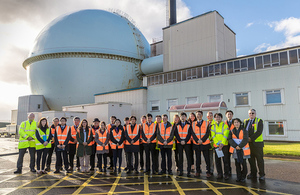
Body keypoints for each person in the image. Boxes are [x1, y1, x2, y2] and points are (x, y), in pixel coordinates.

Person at [244, 109, 265, 181]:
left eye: (253, 113)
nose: (251, 114)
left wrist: (251, 138)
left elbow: (259, 132)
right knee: (251, 160)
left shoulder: (259, 121)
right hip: (248, 145)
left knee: (259, 160)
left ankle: (262, 174)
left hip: (257, 145)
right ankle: (253, 173)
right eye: (250, 113)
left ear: (255, 114)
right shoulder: (245, 121)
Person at [228, 118, 250, 182]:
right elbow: (230, 139)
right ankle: (238, 176)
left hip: (243, 149)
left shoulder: (244, 130)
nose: (236, 123)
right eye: (235, 122)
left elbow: (245, 139)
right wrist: (236, 146)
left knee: (244, 164)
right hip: (235, 150)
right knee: (237, 164)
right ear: (233, 124)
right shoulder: (231, 131)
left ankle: (243, 176)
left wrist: (240, 146)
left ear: (240, 123)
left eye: (237, 122)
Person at [191, 111, 211, 177]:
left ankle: (208, 171)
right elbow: (193, 133)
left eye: (199, 114)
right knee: (197, 159)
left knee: (207, 158)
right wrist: (197, 140)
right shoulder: (193, 123)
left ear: (202, 115)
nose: (198, 116)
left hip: (205, 143)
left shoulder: (206, 123)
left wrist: (202, 140)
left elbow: (208, 133)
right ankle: (198, 171)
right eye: (197, 115)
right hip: (197, 144)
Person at [211, 113, 230, 179]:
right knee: (217, 161)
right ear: (215, 118)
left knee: (225, 161)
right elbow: (213, 136)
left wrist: (222, 143)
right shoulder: (213, 126)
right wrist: (218, 144)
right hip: (217, 146)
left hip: (224, 145)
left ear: (221, 118)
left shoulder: (225, 126)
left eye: (219, 117)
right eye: (216, 117)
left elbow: (225, 135)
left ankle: (226, 174)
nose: (217, 118)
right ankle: (219, 173)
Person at [174, 112, 192, 176]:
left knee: (188, 157)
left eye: (184, 116)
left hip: (187, 143)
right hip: (179, 143)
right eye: (181, 116)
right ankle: (181, 171)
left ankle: (188, 171)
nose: (183, 117)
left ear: (186, 117)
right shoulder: (177, 125)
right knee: (180, 158)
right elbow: (176, 134)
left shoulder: (189, 124)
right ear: (180, 117)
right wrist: (180, 140)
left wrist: (185, 141)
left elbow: (190, 134)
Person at [225, 110, 234, 176]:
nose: (229, 115)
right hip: (226, 143)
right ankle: (228, 171)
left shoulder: (235, 122)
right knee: (227, 158)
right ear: (226, 115)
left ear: (232, 115)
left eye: (230, 114)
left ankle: (239, 173)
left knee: (236, 158)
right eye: (228, 114)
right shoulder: (224, 123)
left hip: (233, 143)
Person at [207, 111, 215, 175]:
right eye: (208, 116)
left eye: (211, 115)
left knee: (218, 158)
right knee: (210, 158)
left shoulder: (215, 123)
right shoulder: (205, 123)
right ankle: (211, 170)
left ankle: (220, 172)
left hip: (215, 142)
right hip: (208, 143)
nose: (209, 117)